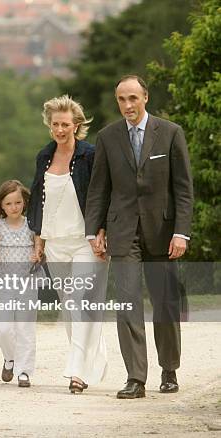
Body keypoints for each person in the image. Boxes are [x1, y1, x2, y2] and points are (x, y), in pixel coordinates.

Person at [85, 75, 193, 399]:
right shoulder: (107, 137)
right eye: (121, 99)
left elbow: (183, 189)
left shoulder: (171, 133)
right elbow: (98, 188)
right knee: (127, 302)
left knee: (165, 303)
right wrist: (94, 230)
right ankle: (135, 378)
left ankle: (169, 370)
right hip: (123, 231)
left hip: (163, 231)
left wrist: (181, 233)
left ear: (145, 97)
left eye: (133, 98)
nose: (127, 105)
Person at [27, 95, 108, 394]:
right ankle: (90, 363)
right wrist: (38, 240)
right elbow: (38, 199)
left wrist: (102, 231)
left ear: (76, 125)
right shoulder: (43, 157)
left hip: (85, 241)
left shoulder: (90, 155)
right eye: (55, 124)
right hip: (55, 242)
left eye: (65, 124)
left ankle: (76, 370)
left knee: (79, 300)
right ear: (50, 126)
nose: (60, 129)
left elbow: (102, 194)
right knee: (71, 305)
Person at [0, 180, 40, 387]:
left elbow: (40, 251)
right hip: (4, 283)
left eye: (18, 202)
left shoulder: (32, 225)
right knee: (2, 328)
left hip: (28, 282)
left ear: (24, 202)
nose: (14, 207)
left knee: (25, 328)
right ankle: (10, 358)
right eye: (9, 204)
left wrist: (37, 255)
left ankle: (24, 371)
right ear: (1, 206)